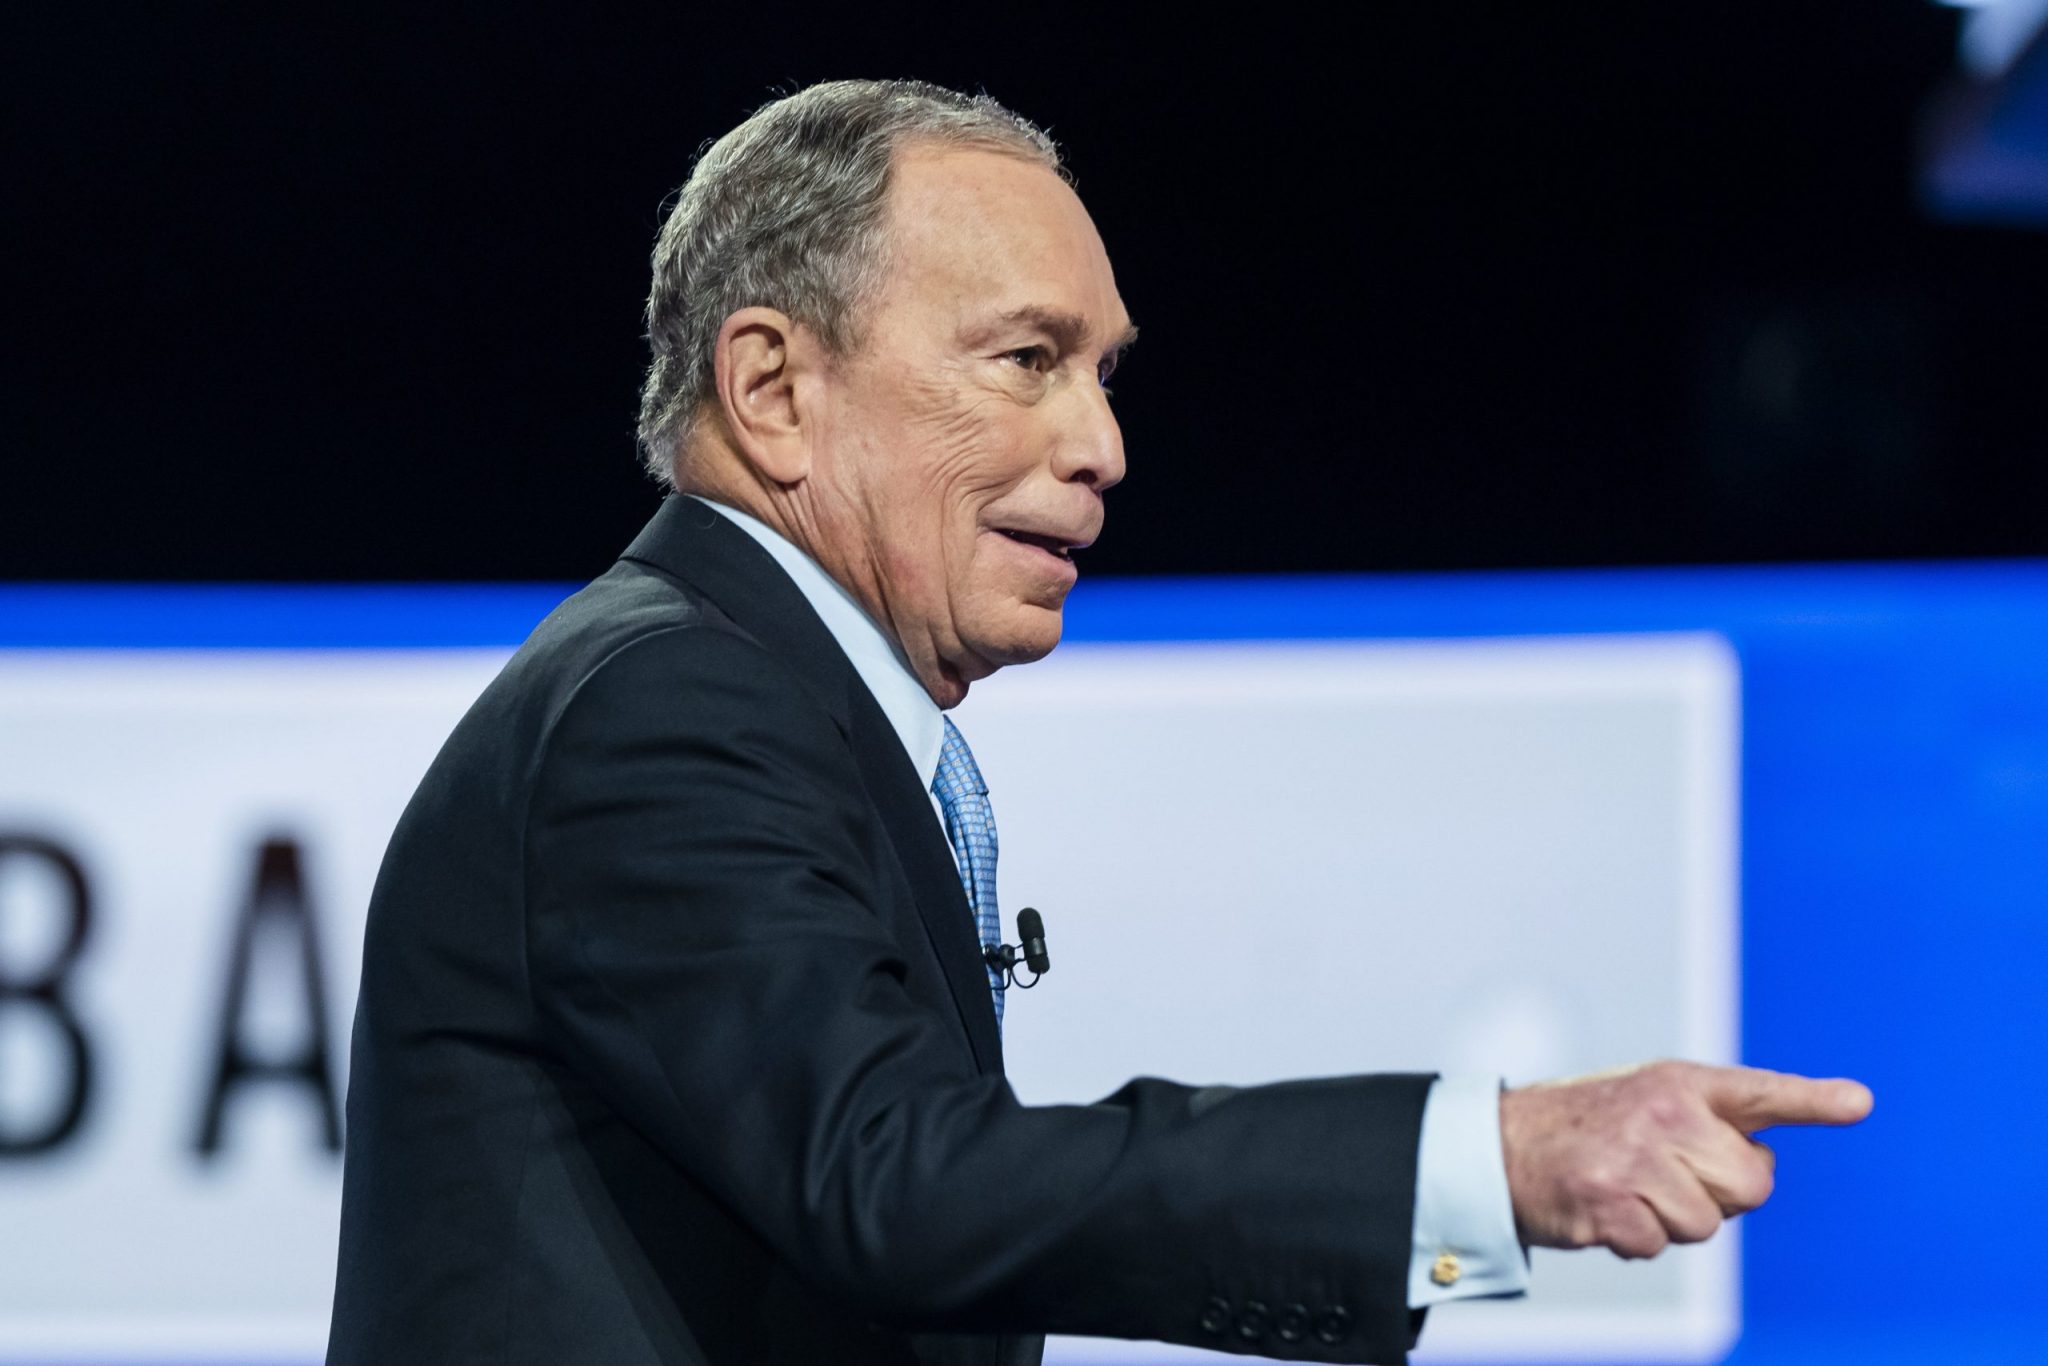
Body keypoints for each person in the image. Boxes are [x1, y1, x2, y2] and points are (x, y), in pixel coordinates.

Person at [326, 79, 1870, 1366]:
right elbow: (899, 1181)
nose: (1104, 444)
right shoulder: (666, 705)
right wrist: (1483, 1164)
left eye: (1104, 374)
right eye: (1027, 360)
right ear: (776, 390)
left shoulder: (761, 696)